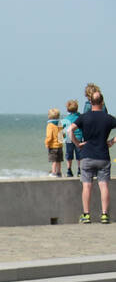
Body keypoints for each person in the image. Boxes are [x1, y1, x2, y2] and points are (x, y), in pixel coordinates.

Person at [72, 90, 116, 223]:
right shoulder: (108, 118)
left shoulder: (84, 117)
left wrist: (78, 143)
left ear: (90, 102)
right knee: (104, 186)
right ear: (102, 102)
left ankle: (86, 215)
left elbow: (69, 130)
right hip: (103, 156)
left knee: (87, 186)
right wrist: (112, 142)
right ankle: (104, 215)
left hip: (87, 155)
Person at [64, 99, 82, 177]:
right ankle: (79, 170)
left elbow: (62, 130)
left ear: (67, 109)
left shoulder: (66, 119)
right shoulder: (80, 117)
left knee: (69, 155)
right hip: (78, 138)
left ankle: (69, 170)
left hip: (68, 138)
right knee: (79, 155)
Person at [45, 109, 65, 177]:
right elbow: (63, 135)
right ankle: (59, 172)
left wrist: (47, 143)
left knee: (54, 160)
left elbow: (49, 136)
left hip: (53, 146)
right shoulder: (59, 124)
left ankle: (53, 172)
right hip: (59, 146)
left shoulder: (50, 125)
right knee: (59, 160)